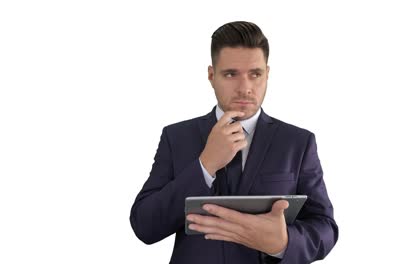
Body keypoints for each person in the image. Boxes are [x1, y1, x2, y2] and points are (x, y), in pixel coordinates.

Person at [130, 21, 338, 264]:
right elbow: (145, 226)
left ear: (267, 74)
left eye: (255, 74)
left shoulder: (298, 142)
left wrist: (284, 243)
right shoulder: (176, 137)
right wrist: (205, 165)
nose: (245, 88)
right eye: (231, 74)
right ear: (211, 75)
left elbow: (325, 228)